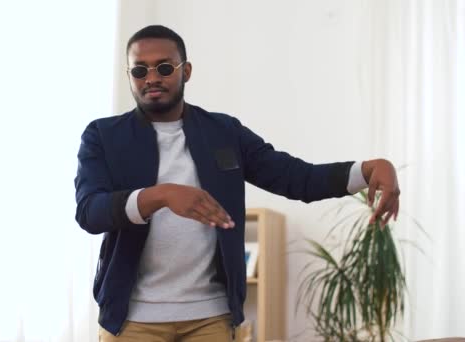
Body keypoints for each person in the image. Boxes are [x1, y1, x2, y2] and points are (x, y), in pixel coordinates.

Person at [74, 25, 400, 342]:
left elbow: (295, 178)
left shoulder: (224, 132)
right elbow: (90, 211)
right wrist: (158, 196)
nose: (152, 78)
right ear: (129, 75)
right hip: (132, 321)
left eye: (163, 67)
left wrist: (368, 170)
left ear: (185, 71)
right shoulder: (103, 136)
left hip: (210, 319)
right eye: (139, 71)